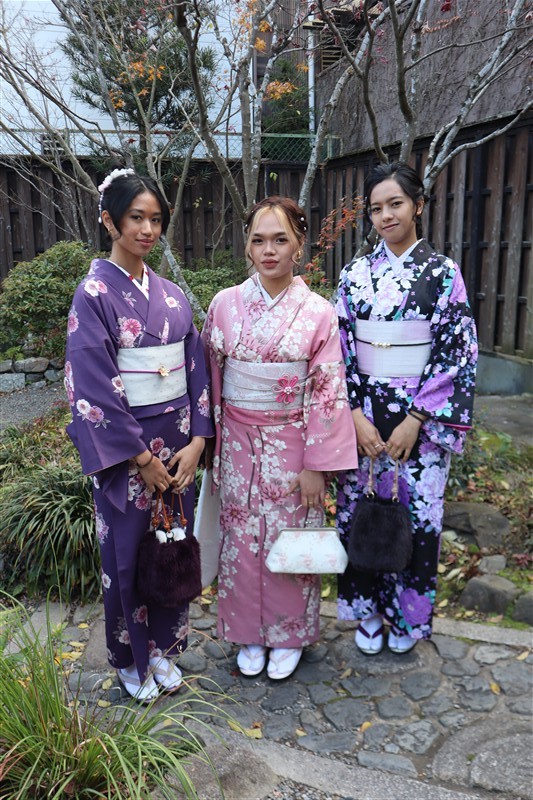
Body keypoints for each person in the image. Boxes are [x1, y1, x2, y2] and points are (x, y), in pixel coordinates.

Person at [65, 168, 213, 701]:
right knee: (128, 554)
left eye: (156, 219)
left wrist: (198, 441)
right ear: (109, 221)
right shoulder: (93, 295)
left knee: (171, 546)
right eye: (136, 218)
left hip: (176, 447)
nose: (148, 229)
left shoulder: (171, 296)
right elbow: (91, 384)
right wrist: (139, 458)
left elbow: (196, 367)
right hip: (129, 456)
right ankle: (131, 658)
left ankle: (165, 647)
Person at [202, 196, 358, 681]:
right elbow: (210, 378)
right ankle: (247, 632)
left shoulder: (318, 312)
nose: (268, 250)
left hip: (295, 442)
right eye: (258, 240)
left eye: (280, 239)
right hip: (236, 440)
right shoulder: (224, 305)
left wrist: (317, 464)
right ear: (247, 246)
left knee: (291, 536)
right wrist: (210, 443)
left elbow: (328, 390)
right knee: (240, 537)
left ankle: (289, 634)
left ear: (299, 245)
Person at [335, 162, 478, 655]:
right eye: (376, 208)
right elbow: (338, 349)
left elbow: (457, 351)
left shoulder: (443, 274)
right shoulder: (355, 275)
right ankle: (368, 611)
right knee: (361, 510)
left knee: (417, 516)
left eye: (395, 204)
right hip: (364, 417)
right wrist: (354, 415)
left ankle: (407, 618)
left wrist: (417, 419)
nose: (385, 216)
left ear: (418, 205)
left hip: (421, 421)